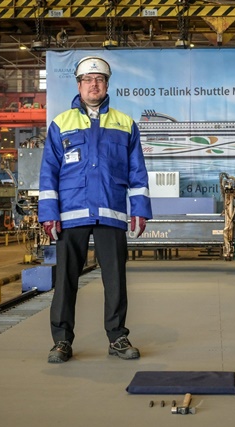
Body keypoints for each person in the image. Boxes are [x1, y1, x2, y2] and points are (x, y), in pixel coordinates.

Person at [39, 56, 153, 363]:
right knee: (65, 279)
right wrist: (48, 213)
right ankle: (61, 341)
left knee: (115, 278)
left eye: (100, 80)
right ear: (79, 85)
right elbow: (48, 171)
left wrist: (139, 208)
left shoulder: (124, 123)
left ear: (107, 85)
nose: (94, 84)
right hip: (71, 212)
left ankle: (118, 337)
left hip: (111, 212)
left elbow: (137, 171)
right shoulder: (61, 124)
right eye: (88, 80)